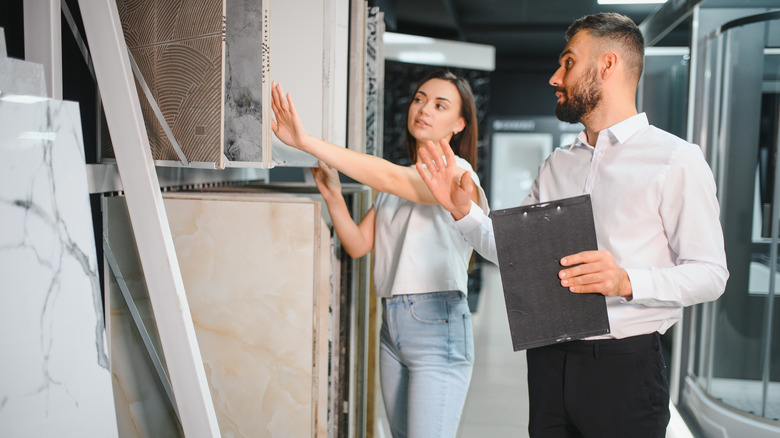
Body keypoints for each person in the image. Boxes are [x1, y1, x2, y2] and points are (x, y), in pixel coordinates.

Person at [416, 13, 728, 438]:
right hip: (548, 361)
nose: (554, 77)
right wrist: (463, 212)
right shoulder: (559, 163)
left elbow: (711, 275)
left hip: (624, 371)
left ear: (608, 65)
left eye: (567, 62)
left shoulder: (676, 160)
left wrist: (625, 281)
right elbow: (513, 252)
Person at [270, 70, 489, 438]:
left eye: (440, 105)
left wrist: (307, 141)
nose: (424, 109)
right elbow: (357, 244)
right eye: (419, 99)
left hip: (438, 324)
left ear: (460, 124)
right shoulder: (397, 184)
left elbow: (388, 178)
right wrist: (334, 197)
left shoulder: (457, 173)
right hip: (392, 327)